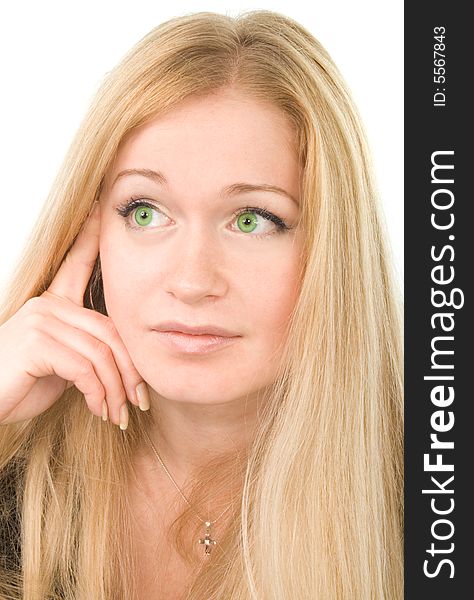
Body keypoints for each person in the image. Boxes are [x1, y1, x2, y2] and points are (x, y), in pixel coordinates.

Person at [0, 9, 403, 599]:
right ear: (91, 237)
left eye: (252, 220)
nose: (191, 281)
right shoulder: (21, 472)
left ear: (332, 251)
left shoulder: (432, 503)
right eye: (146, 212)